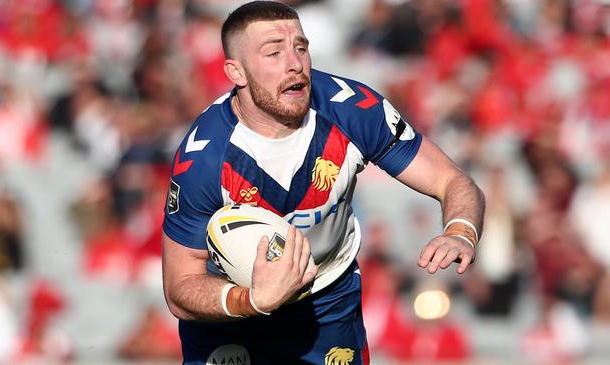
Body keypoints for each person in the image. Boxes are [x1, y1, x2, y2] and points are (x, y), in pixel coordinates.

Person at [161, 1, 485, 364]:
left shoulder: (352, 111)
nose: (294, 63)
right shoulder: (205, 158)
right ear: (236, 72)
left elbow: (451, 179)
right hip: (230, 315)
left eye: (301, 47)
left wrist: (460, 230)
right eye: (274, 53)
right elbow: (179, 288)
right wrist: (251, 300)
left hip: (327, 302)